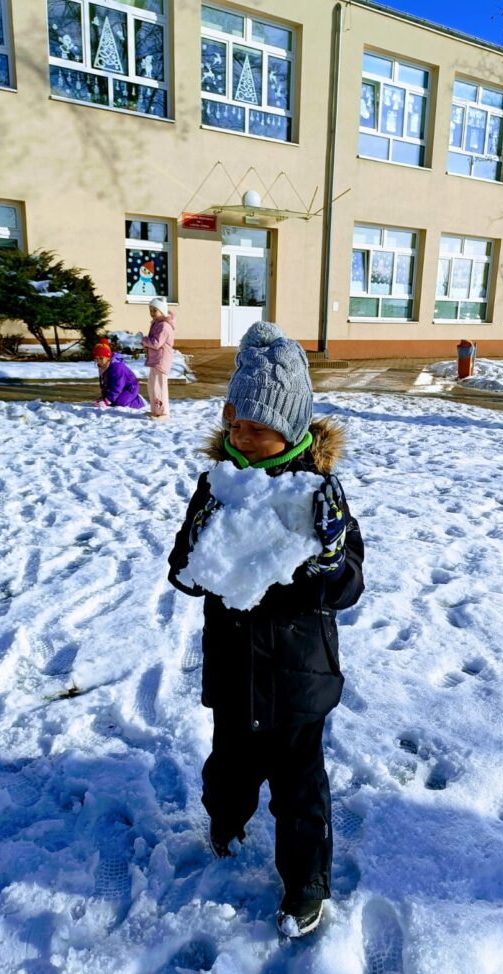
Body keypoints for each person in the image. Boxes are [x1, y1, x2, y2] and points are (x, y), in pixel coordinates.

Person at [167, 321, 365, 938]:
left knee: (301, 790)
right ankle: (225, 821)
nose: (242, 435)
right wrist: (201, 541)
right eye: (235, 422)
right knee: (228, 769)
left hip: (300, 677)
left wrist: (327, 556)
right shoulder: (216, 487)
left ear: (292, 427)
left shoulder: (315, 495)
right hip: (233, 671)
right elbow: (184, 571)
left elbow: (349, 586)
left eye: (257, 425)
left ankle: (306, 884)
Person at [142, 297, 176, 420]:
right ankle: (155, 410)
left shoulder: (164, 326)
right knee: (152, 385)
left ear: (162, 311)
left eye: (154, 310)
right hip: (156, 360)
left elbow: (156, 343)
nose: (151, 313)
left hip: (161, 360)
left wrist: (143, 340)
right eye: (150, 310)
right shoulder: (157, 323)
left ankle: (164, 413)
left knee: (160, 387)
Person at [93, 339, 145, 410]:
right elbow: (104, 383)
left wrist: (107, 401)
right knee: (112, 402)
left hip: (130, 388)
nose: (99, 361)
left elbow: (117, 385)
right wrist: (104, 397)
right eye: (96, 359)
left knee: (120, 403)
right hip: (119, 388)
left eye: (101, 358)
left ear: (108, 357)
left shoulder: (117, 367)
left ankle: (138, 402)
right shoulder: (103, 365)